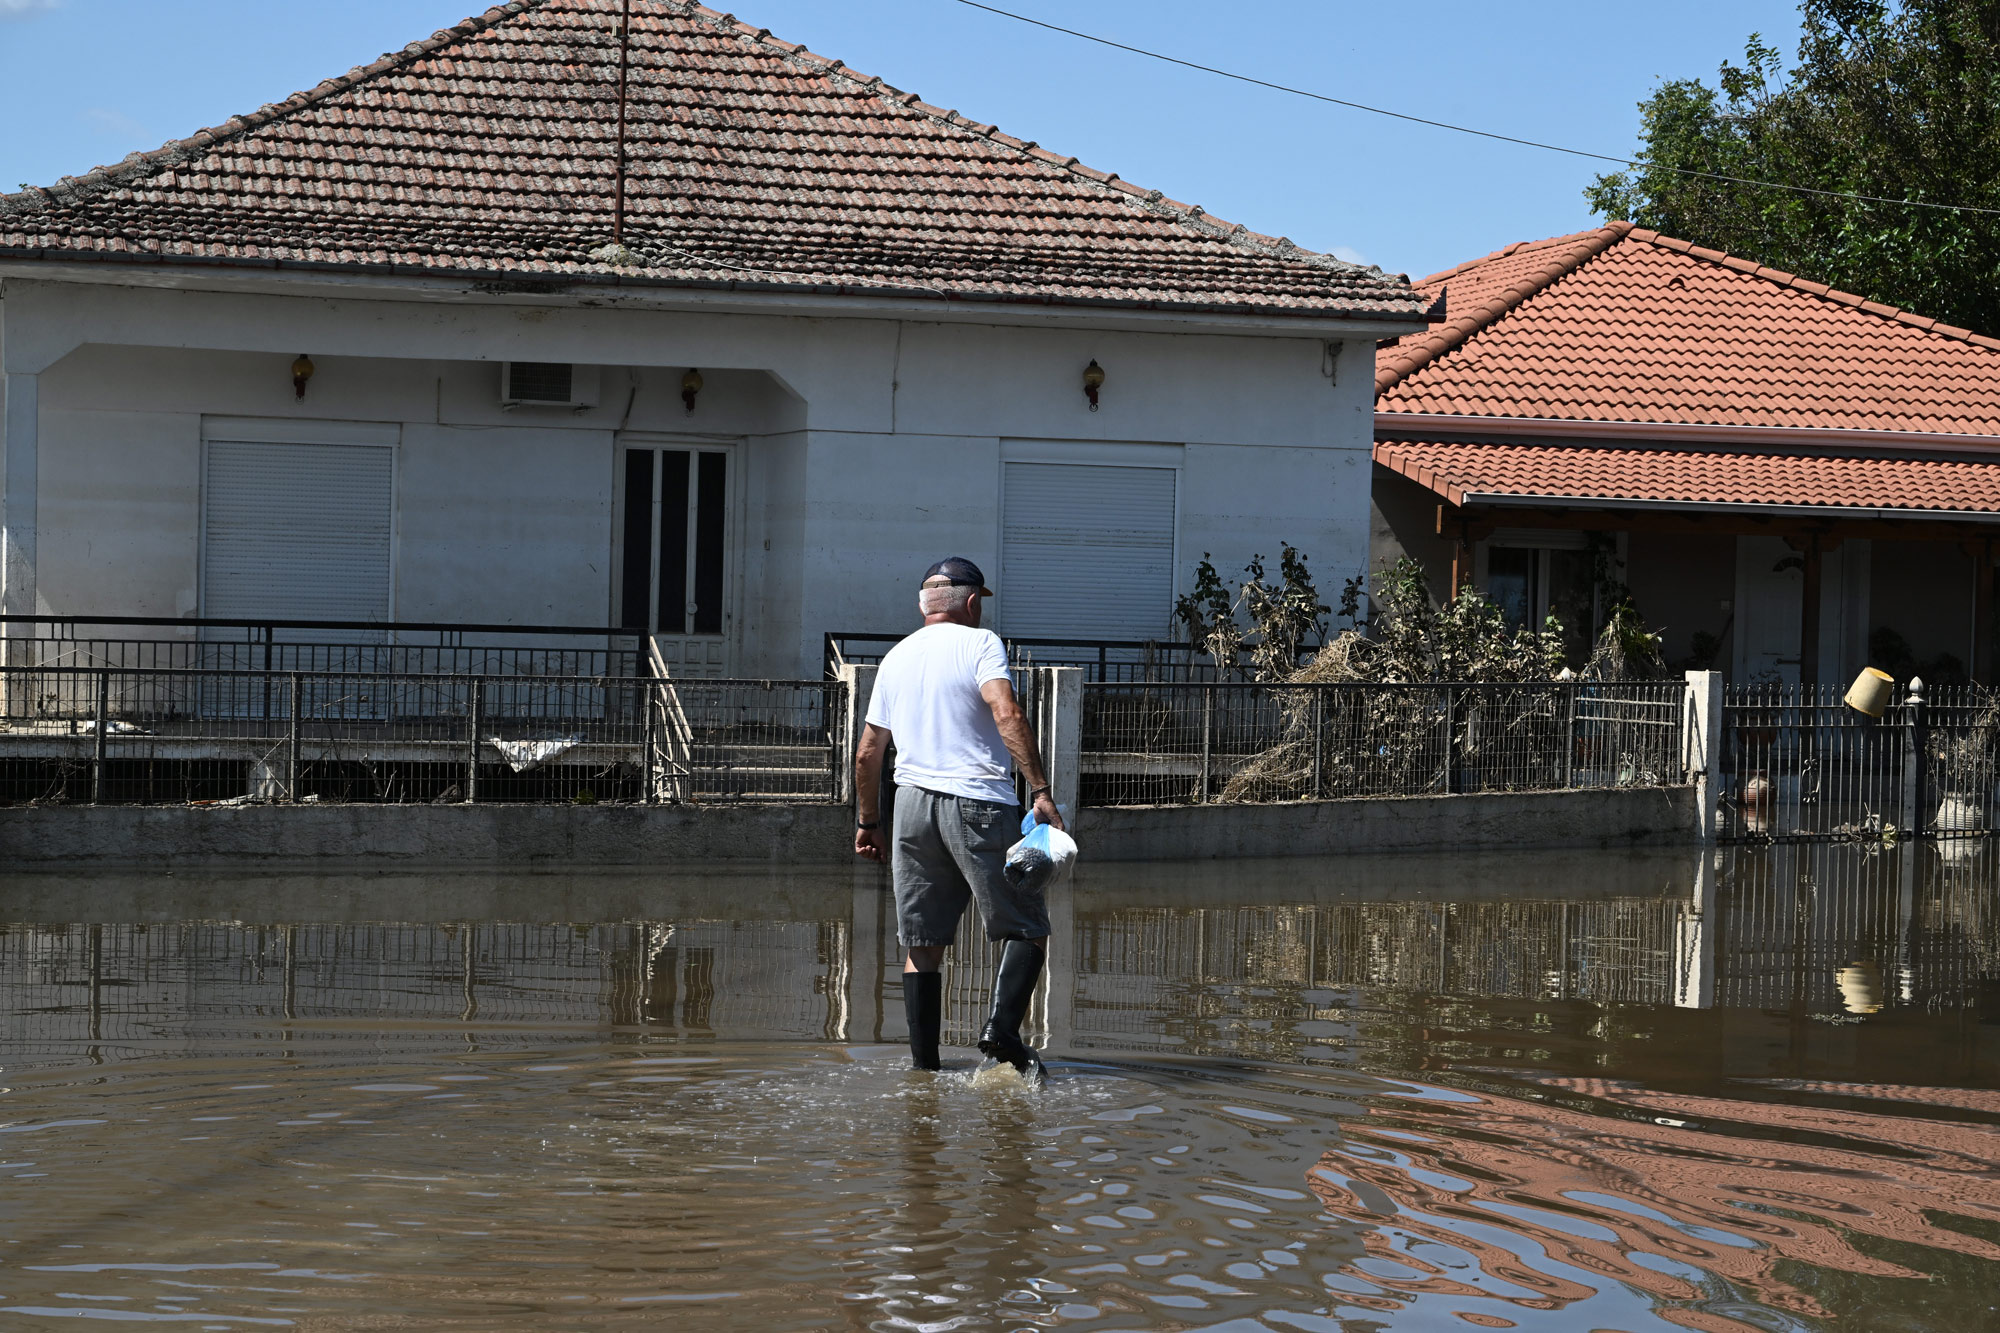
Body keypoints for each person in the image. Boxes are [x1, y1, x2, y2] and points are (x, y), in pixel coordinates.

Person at [853, 556, 1066, 1078]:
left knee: (921, 945)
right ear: (972, 602)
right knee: (1027, 926)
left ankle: (924, 1072)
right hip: (978, 802)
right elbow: (1006, 712)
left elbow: (867, 753)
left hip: (908, 807)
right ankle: (1001, 1032)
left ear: (924, 604)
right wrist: (1040, 789)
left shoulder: (895, 658)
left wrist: (868, 822)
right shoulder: (981, 643)